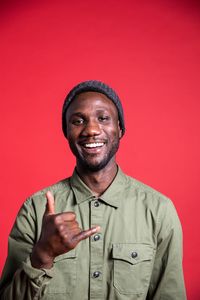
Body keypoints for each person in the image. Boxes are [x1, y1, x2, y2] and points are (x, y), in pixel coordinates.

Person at [0, 80, 186, 299]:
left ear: (120, 128)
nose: (91, 129)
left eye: (103, 118)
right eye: (78, 121)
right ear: (66, 132)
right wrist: (43, 255)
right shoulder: (35, 209)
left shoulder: (158, 210)